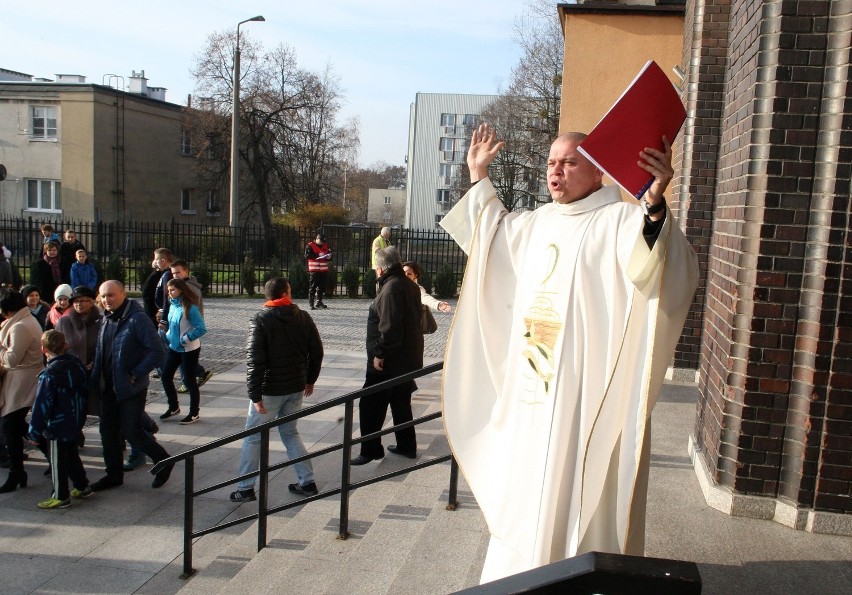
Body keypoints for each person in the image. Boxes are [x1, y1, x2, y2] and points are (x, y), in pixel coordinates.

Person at [439, 124, 699, 582]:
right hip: (531, 395)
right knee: (527, 491)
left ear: (598, 173)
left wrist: (655, 202)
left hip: (584, 397)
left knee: (578, 491)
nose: (556, 172)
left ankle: (577, 575)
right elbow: (490, 237)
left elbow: (657, 266)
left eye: (569, 162)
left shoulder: (619, 221)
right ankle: (518, 572)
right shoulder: (537, 222)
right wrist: (479, 176)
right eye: (551, 163)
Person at [229, 277, 323, 502]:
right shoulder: (302, 316)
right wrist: (309, 380)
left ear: (267, 296)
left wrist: (255, 394)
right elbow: (317, 351)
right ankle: (307, 482)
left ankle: (245, 488)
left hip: (270, 390)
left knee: (253, 436)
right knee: (290, 432)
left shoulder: (260, 319)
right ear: (287, 293)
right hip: (295, 386)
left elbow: (255, 361)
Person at [89, 280, 173, 491]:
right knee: (108, 432)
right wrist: (94, 379)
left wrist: (136, 373)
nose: (107, 300)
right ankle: (113, 475)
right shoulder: (106, 318)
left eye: (111, 295)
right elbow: (101, 352)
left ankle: (163, 459)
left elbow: (157, 351)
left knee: (131, 430)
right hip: (108, 386)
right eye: (103, 296)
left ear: (123, 294)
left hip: (129, 387)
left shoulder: (137, 319)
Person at [351, 246, 424, 465]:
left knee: (370, 404)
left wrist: (379, 354)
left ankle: (371, 449)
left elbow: (390, 328)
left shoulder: (391, 288)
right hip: (406, 358)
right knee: (401, 403)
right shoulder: (409, 285)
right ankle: (406, 445)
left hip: (388, 361)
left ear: (381, 269)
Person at [27, 329, 91, 508]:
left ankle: (60, 495)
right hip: (75, 418)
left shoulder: (49, 374)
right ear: (66, 345)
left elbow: (42, 405)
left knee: (57, 461)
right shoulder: (77, 364)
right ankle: (82, 485)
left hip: (57, 425)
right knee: (71, 455)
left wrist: (34, 432)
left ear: (44, 349)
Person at [0, 289, 46, 493]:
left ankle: (17, 472)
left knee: (11, 425)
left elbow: (11, 359)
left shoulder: (19, 326)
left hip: (22, 380)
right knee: (16, 425)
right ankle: (18, 472)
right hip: (22, 378)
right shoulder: (25, 320)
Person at [159, 278, 206, 424]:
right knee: (166, 375)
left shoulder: (190, 308)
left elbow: (201, 328)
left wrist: (186, 338)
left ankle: (194, 413)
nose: (169, 292)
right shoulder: (173, 305)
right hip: (174, 347)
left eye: (172, 290)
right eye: (168, 290)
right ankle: (173, 407)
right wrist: (169, 335)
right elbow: (172, 325)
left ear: (181, 290)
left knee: (189, 380)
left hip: (189, 349)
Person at [169, 259, 213, 392]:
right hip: (180, 327)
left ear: (186, 271)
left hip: (188, 327)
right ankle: (197, 373)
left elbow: (190, 309)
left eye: (178, 272)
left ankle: (188, 382)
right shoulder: (183, 286)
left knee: (185, 356)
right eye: (173, 273)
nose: (175, 276)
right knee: (185, 357)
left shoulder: (188, 288)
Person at [305, 233, 332, 310]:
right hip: (314, 270)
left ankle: (319, 301)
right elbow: (307, 256)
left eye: (323, 241)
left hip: (323, 270)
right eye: (321, 241)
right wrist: (317, 255)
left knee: (322, 287)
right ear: (317, 239)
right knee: (313, 286)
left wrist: (329, 257)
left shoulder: (326, 245)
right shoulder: (310, 245)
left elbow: (329, 254)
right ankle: (311, 304)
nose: (322, 243)